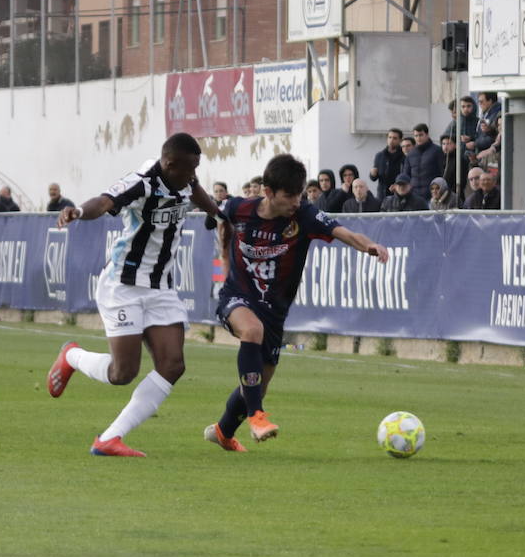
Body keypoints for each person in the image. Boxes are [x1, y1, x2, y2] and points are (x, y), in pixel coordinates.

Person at [46, 132, 222, 457]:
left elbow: (196, 191)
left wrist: (218, 212)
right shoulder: (141, 182)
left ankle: (109, 439)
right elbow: (103, 202)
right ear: (169, 165)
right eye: (189, 169)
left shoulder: (185, 178)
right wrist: (78, 212)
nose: (194, 175)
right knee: (122, 373)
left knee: (173, 365)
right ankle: (71, 355)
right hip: (123, 286)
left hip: (161, 287)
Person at [203, 153, 389, 450]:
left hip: (274, 313)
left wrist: (370, 246)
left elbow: (344, 232)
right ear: (268, 192)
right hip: (236, 297)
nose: (296, 201)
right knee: (251, 332)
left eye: (299, 194)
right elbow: (218, 215)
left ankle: (223, 432)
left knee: (257, 384)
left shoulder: (304, 215)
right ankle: (257, 416)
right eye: (289, 196)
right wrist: (225, 258)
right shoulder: (239, 208)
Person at [404, 123, 445, 200]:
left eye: (421, 135)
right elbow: (406, 174)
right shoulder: (411, 153)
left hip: (432, 194)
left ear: (427, 135)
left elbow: (442, 172)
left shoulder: (437, 150)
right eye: (416, 136)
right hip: (414, 194)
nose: (418, 138)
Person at [369, 128, 405, 202]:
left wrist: (398, 185)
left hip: (398, 194)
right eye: (389, 137)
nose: (391, 140)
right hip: (382, 195)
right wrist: (373, 174)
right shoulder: (380, 155)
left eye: (395, 138)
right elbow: (374, 178)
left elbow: (406, 176)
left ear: (400, 140)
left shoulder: (404, 156)